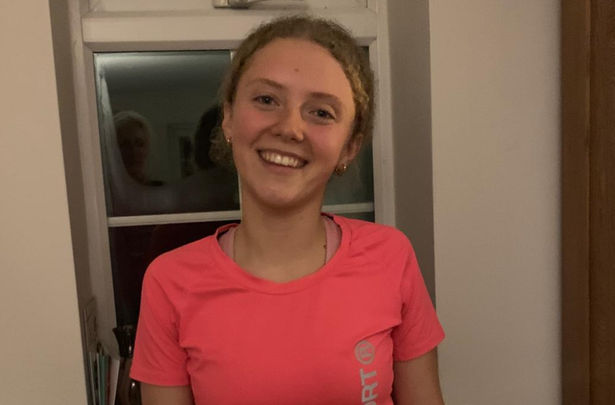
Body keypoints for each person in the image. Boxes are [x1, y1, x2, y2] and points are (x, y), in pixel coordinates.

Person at [130, 15, 445, 405]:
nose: (290, 128)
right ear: (228, 118)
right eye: (267, 100)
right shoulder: (169, 283)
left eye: (321, 112)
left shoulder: (390, 257)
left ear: (349, 147)